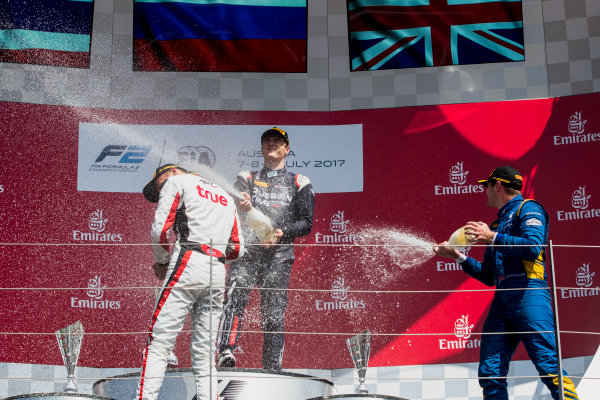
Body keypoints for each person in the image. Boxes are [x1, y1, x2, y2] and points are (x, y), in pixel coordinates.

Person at [433, 166, 579, 400]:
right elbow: (489, 276)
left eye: (487, 186)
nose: (485, 191)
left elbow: (532, 248)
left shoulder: (528, 208)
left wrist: (492, 237)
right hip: (502, 301)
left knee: (548, 363)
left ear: (497, 185)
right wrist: (458, 256)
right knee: (490, 374)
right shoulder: (494, 225)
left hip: (529, 294)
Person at [136, 164, 244, 400]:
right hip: (217, 270)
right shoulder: (224, 195)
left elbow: (160, 231)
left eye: (159, 182)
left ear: (174, 171)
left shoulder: (177, 183)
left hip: (187, 259)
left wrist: (163, 261)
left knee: (160, 342)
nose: (160, 188)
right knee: (205, 353)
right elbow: (238, 248)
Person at [217, 127, 315, 370]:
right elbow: (236, 209)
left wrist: (282, 231)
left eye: (277, 141)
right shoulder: (246, 177)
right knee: (234, 298)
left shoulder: (299, 181)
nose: (272, 144)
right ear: (261, 149)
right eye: (267, 141)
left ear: (286, 149)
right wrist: (244, 205)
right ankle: (226, 352)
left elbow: (306, 222)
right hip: (248, 252)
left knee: (273, 313)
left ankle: (272, 368)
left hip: (279, 256)